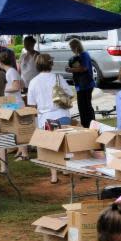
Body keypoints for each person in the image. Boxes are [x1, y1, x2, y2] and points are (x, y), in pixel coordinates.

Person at [27, 53, 73, 184]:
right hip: (62, 114)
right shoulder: (58, 77)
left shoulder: (33, 82)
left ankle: (54, 175)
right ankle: (65, 169)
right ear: (51, 64)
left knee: (50, 147)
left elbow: (31, 104)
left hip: (45, 117)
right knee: (65, 144)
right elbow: (69, 94)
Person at [0, 50, 29, 162]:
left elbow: (16, 87)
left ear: (0, 62)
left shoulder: (10, 72)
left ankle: (24, 153)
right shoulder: (11, 71)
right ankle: (21, 150)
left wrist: (3, 89)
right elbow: (21, 84)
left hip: (15, 103)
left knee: (19, 129)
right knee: (16, 128)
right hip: (12, 102)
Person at [64, 39, 96, 128]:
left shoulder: (84, 55)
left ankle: (90, 124)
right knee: (82, 106)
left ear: (76, 47)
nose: (71, 49)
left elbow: (84, 68)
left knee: (86, 106)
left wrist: (71, 70)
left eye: (71, 47)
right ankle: (85, 124)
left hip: (86, 85)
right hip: (80, 85)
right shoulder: (78, 56)